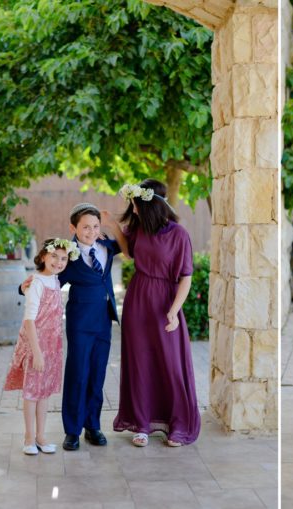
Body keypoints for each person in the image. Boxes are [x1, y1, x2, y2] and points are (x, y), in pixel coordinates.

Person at [20, 203, 124, 451]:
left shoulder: (106, 246)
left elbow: (126, 243)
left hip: (103, 321)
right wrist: (25, 286)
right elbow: (50, 275)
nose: (91, 231)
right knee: (78, 373)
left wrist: (110, 225)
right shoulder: (68, 254)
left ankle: (93, 426)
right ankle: (73, 430)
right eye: (86, 227)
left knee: (97, 374)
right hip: (79, 322)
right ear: (73, 228)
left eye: (95, 226)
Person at [112, 179, 200, 447]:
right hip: (138, 300)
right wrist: (112, 225)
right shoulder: (138, 229)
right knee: (140, 364)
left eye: (136, 205)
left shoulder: (178, 234)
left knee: (171, 364)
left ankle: (179, 425)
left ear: (148, 205)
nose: (133, 210)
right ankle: (142, 424)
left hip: (165, 303)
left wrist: (174, 312)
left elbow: (185, 277)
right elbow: (128, 253)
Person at [4, 238, 80, 455]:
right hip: (36, 344)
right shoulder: (36, 283)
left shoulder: (55, 281)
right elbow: (29, 320)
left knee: (44, 392)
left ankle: (41, 436)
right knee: (31, 392)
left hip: (52, 345)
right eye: (54, 256)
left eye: (63, 258)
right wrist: (36, 353)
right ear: (44, 256)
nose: (58, 261)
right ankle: (28, 437)